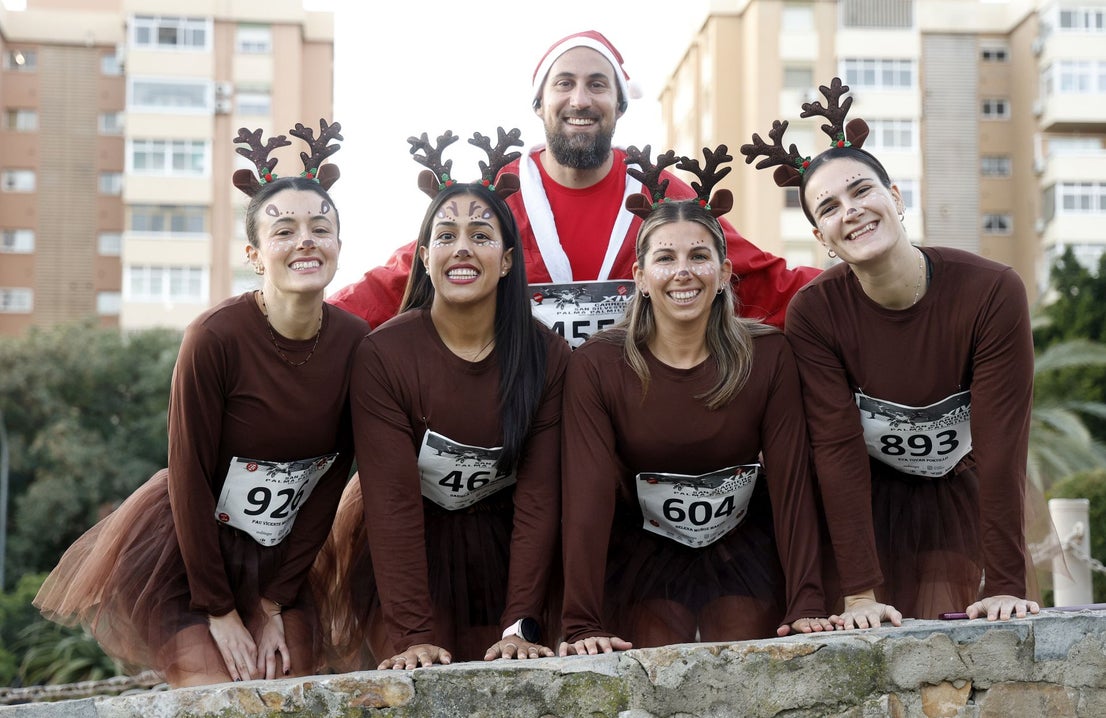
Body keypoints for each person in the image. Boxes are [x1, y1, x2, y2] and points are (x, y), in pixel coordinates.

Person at [34, 120, 370, 687]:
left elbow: (333, 478)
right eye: (283, 230)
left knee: (282, 690)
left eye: (320, 227)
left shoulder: (358, 342)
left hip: (282, 557)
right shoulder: (213, 337)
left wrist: (271, 605)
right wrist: (219, 610)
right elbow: (187, 474)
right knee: (212, 691)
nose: (305, 240)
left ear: (339, 244)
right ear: (255, 252)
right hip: (190, 549)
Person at [740, 78, 1041, 629]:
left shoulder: (993, 291)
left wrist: (1005, 584)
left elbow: (1002, 444)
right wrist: (858, 593)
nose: (850, 211)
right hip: (861, 504)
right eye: (828, 207)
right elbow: (834, 447)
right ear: (821, 236)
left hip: (956, 491)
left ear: (896, 197)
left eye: (861, 191)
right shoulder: (815, 312)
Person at [327, 30, 819, 343]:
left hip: (633, 425)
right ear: (538, 104)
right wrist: (302, 324)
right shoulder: (496, 193)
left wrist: (871, 288)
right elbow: (404, 279)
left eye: (597, 85)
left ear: (619, 105)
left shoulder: (659, 191)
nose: (580, 99)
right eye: (563, 84)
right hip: (521, 423)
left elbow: (759, 280)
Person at [558, 145, 833, 656]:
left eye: (699, 256)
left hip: (743, 543)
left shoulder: (768, 355)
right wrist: (580, 621)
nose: (683, 272)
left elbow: (793, 481)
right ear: (639, 279)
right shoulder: (597, 366)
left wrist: (808, 603)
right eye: (665, 258)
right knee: (653, 667)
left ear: (726, 273)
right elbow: (586, 498)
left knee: (749, 659)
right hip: (640, 548)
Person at [315, 128, 571, 671]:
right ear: (425, 258)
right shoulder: (383, 355)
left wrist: (519, 621)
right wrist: (411, 633)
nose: (462, 248)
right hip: (412, 548)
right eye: (447, 235)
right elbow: (392, 503)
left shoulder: (547, 356)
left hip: (508, 548)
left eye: (481, 235)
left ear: (506, 261)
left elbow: (540, 498)